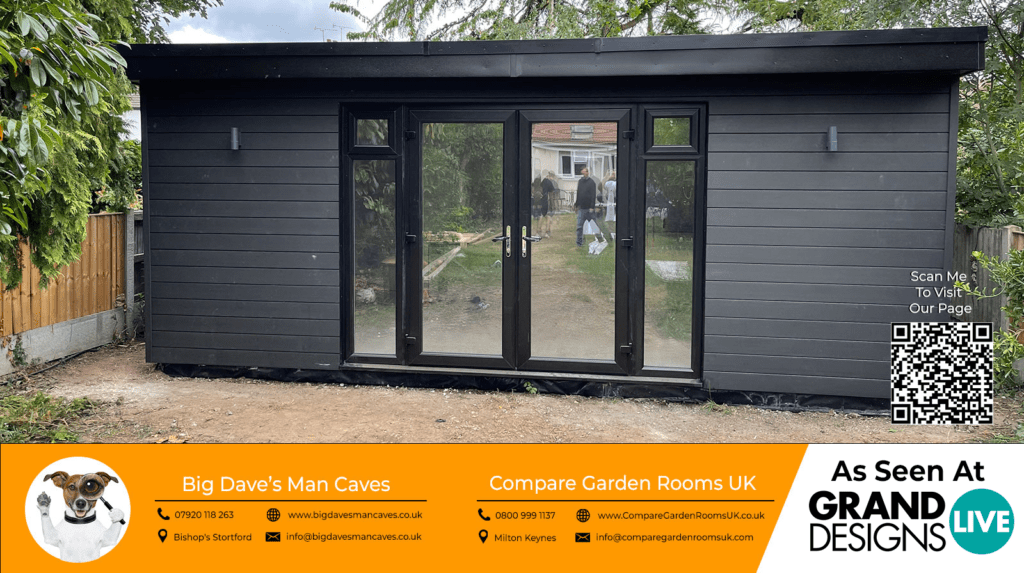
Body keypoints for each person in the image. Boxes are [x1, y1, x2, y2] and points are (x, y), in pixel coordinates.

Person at [574, 166, 606, 247]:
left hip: (589, 208)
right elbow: (578, 193)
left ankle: (600, 239)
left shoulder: (591, 182)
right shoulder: (580, 181)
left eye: (585, 171)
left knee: (594, 225)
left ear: (588, 173)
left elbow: (593, 195)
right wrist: (576, 204)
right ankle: (579, 243)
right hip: (581, 208)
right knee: (579, 226)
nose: (583, 172)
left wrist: (592, 206)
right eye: (582, 171)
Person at [540, 171, 558, 237]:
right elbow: (552, 192)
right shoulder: (549, 182)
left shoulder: (543, 182)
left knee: (544, 217)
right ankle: (547, 232)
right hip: (548, 202)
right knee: (548, 217)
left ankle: (545, 231)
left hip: (544, 201)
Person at [602, 171, 617, 240]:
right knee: (610, 220)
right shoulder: (609, 183)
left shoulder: (614, 183)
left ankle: (614, 233)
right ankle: (611, 233)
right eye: (612, 174)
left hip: (615, 202)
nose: (613, 175)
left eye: (614, 174)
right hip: (610, 203)